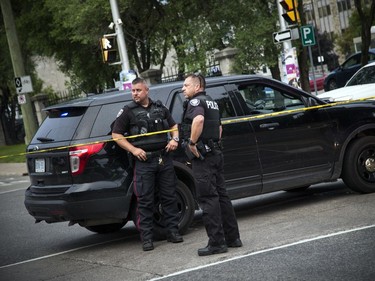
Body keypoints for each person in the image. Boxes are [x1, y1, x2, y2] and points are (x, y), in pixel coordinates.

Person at [112, 77, 183, 251]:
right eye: (133, 90)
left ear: (146, 90)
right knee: (145, 200)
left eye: (138, 90)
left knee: (169, 196)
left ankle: (173, 232)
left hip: (163, 158)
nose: (134, 93)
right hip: (144, 162)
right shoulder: (128, 111)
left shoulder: (160, 108)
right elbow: (116, 135)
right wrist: (133, 150)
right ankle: (147, 238)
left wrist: (175, 139)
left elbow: (174, 126)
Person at [180, 74, 242, 256]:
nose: (183, 88)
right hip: (215, 153)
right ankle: (233, 238)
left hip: (203, 157)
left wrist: (192, 143)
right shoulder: (212, 102)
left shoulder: (195, 103)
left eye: (186, 85)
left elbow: (198, 120)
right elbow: (219, 128)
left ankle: (216, 243)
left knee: (208, 198)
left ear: (197, 86)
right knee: (222, 196)